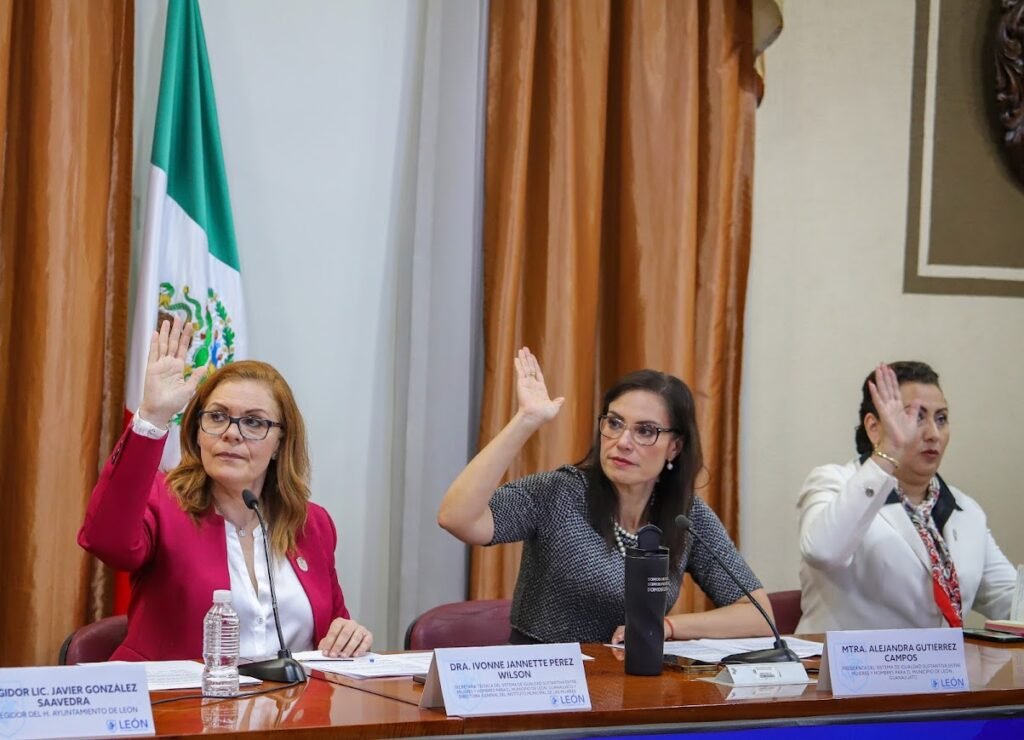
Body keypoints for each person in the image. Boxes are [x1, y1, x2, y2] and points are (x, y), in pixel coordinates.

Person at [79, 317, 371, 661]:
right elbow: (105, 541)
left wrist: (349, 637)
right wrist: (153, 417)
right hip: (176, 709)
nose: (231, 433)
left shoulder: (312, 524)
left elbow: (332, 630)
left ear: (280, 442)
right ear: (197, 431)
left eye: (253, 422)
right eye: (217, 417)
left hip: (293, 711)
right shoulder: (162, 502)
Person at [438, 348, 774, 644]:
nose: (623, 441)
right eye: (614, 423)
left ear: (675, 447)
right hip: (544, 687)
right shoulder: (560, 493)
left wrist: (667, 626)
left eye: (645, 431)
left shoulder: (685, 516)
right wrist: (526, 420)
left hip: (631, 689)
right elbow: (458, 518)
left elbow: (759, 616)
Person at [797, 361, 1017, 632]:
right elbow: (822, 552)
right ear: (874, 427)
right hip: (844, 670)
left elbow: (1010, 599)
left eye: (941, 419)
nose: (933, 434)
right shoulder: (833, 482)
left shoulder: (965, 510)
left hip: (939, 671)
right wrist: (890, 451)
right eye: (915, 418)